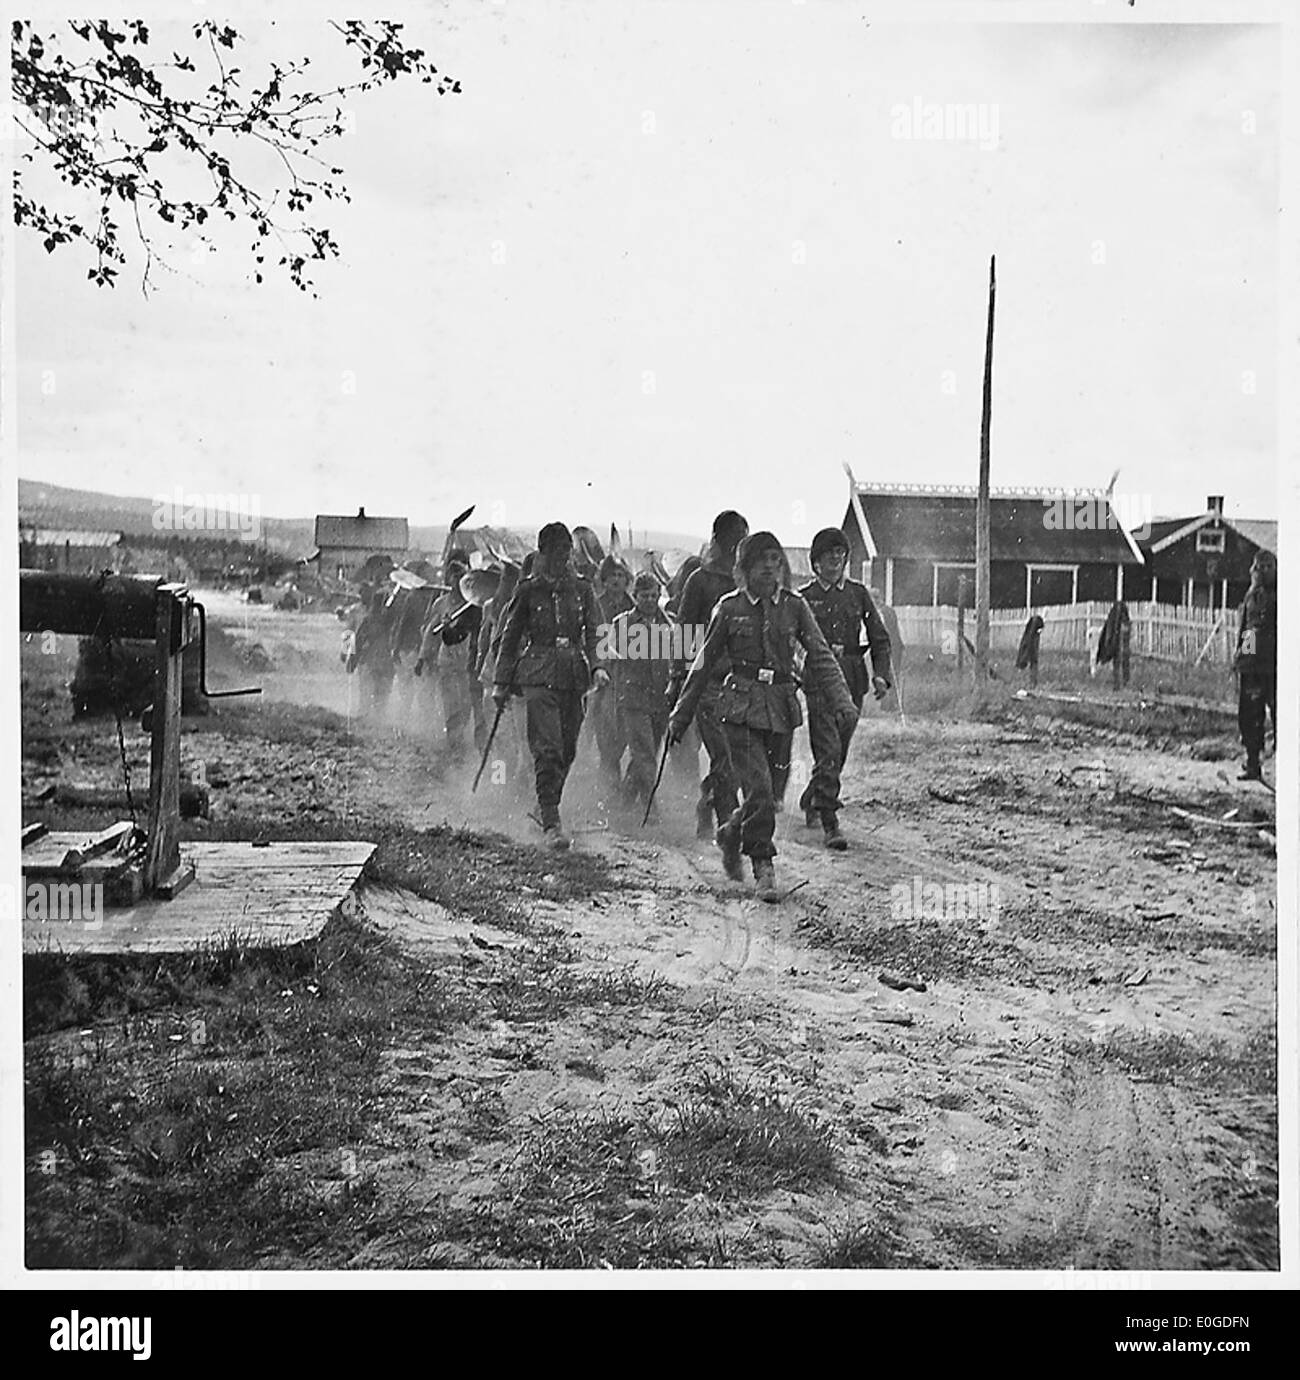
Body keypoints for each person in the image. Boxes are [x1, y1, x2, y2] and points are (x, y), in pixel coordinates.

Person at [668, 531, 858, 902]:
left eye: (775, 560)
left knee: (770, 797)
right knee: (757, 788)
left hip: (781, 709)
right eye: (761, 562)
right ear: (744, 569)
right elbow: (703, 666)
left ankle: (731, 832)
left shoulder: (794, 606)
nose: (770, 568)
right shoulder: (728, 609)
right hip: (740, 708)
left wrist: (842, 701)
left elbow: (819, 655)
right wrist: (680, 714)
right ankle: (763, 865)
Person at [493, 524, 608, 847]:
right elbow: (509, 638)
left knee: (568, 750)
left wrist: (598, 667)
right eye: (555, 550)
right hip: (538, 674)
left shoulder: (583, 590)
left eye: (566, 549)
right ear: (542, 553)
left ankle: (542, 806)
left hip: (574, 676)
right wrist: (501, 683)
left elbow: (596, 632)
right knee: (548, 748)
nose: (562, 556)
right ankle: (551, 821)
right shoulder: (528, 591)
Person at [796, 528, 893, 849]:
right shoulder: (803, 598)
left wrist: (880, 675)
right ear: (816, 563)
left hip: (852, 677)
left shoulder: (858, 594)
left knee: (839, 749)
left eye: (840, 554)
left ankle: (813, 795)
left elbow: (879, 637)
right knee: (827, 748)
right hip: (819, 679)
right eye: (828, 555)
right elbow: (789, 643)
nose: (835, 560)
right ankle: (830, 821)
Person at [669, 509, 749, 838]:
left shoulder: (748, 581)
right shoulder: (699, 580)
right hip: (708, 682)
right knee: (724, 755)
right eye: (732, 539)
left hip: (743, 684)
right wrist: (677, 677)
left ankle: (708, 799)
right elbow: (684, 632)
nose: (736, 546)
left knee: (737, 759)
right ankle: (727, 825)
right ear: (717, 539)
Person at [604, 571, 675, 817]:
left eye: (654, 595)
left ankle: (624, 802)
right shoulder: (621, 623)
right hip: (632, 697)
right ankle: (650, 809)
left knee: (647, 752)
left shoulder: (669, 623)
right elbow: (607, 652)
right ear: (634, 596)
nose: (650, 600)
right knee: (644, 752)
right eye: (644, 596)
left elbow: (680, 658)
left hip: (660, 698)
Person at [591, 555, 635, 787]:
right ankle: (608, 795)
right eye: (612, 576)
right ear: (604, 580)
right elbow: (592, 640)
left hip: (632, 682)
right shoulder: (595, 605)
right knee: (607, 745)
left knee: (635, 744)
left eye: (621, 575)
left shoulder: (636, 607)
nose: (617, 580)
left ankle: (628, 793)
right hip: (604, 680)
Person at [1234, 549, 1277, 782]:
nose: (1259, 571)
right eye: (1257, 566)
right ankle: (1252, 764)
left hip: (1274, 667)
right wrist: (1242, 655)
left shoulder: (1282, 595)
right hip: (1253, 668)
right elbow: (1248, 628)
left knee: (1281, 714)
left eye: (1266, 567)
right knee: (1250, 716)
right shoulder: (1251, 595)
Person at [347, 587, 396, 720]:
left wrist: (352, 658)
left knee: (373, 692)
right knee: (376, 692)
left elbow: (358, 638)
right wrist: (349, 655)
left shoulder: (375, 619)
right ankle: (373, 718)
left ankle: (372, 719)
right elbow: (353, 635)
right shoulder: (387, 619)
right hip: (379, 661)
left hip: (374, 661)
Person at [1096, 599, 1131, 689]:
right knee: (1119, 661)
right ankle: (1119, 683)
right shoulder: (1114, 621)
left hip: (1121, 644)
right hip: (1117, 644)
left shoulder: (1120, 621)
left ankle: (1122, 682)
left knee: (1122, 661)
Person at [1016, 613, 1045, 688]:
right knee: (1033, 661)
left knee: (1033, 661)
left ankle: (1032, 682)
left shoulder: (1033, 625)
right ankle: (1031, 683)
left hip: (1030, 643)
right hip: (1030, 645)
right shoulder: (1033, 629)